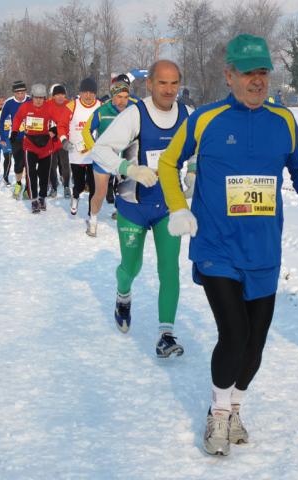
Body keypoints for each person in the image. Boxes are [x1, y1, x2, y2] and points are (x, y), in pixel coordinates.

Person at [157, 34, 298, 456]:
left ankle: (235, 408)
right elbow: (167, 162)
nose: (257, 81)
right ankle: (216, 415)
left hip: (264, 252)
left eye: (263, 72)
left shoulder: (284, 120)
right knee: (233, 336)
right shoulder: (206, 119)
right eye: (248, 73)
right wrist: (178, 207)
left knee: (255, 345)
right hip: (217, 247)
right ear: (228, 75)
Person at [90, 60, 193, 358]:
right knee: (131, 267)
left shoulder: (187, 115)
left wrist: (193, 172)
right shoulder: (136, 114)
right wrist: (129, 169)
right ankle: (123, 294)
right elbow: (100, 149)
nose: (169, 89)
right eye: (163, 83)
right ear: (149, 84)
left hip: (168, 206)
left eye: (174, 83)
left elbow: (200, 147)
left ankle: (166, 334)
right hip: (134, 205)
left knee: (169, 269)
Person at [83, 76, 139, 236]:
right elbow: (86, 131)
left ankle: (127, 220)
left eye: (126, 97)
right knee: (100, 193)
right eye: (119, 97)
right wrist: (94, 149)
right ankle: (92, 220)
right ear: (112, 96)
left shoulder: (135, 108)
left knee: (128, 192)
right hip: (105, 158)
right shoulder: (102, 111)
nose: (123, 101)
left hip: (126, 156)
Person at [57, 77, 101, 215]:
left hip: (94, 153)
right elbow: (62, 125)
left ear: (95, 93)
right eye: (85, 92)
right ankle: (75, 197)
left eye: (91, 93)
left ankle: (91, 214)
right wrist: (64, 140)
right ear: (80, 93)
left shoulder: (101, 105)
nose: (88, 96)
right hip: (76, 152)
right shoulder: (72, 106)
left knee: (94, 186)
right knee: (80, 185)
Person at [11, 83, 57, 214]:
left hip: (45, 145)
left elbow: (60, 121)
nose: (38, 100)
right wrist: (14, 132)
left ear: (45, 98)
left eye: (41, 97)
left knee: (44, 175)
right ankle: (34, 200)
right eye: (36, 97)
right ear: (32, 97)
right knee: (31, 174)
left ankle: (42, 197)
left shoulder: (49, 107)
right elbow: (17, 118)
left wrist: (54, 130)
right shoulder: (25, 106)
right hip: (29, 145)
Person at [0, 80, 31, 199]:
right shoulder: (9, 103)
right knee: (18, 163)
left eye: (22, 92)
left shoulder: (30, 100)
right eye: (18, 93)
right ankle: (18, 184)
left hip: (30, 137)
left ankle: (29, 186)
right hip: (16, 138)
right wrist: (2, 136)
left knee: (29, 163)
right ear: (14, 93)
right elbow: (2, 121)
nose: (20, 95)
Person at [46, 84, 71, 198]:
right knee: (52, 165)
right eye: (58, 95)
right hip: (51, 141)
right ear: (53, 96)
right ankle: (54, 188)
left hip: (64, 140)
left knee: (65, 164)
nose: (61, 97)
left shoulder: (69, 105)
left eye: (62, 94)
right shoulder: (48, 104)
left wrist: (56, 130)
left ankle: (66, 187)